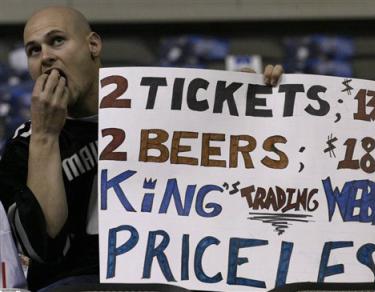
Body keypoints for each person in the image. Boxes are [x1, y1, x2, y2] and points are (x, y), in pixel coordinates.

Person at [0, 5, 284, 291]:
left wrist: (259, 101)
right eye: (33, 50)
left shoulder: (166, 112)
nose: (46, 56)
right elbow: (44, 247)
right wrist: (46, 135)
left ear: (93, 45)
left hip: (166, 280)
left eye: (57, 40)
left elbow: (255, 175)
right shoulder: (24, 146)